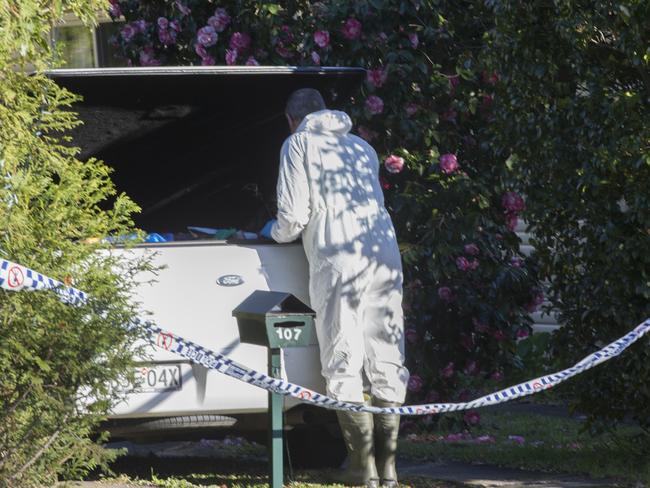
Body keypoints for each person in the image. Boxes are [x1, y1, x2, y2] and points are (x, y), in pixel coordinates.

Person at [260, 88, 409, 488]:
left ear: (290, 119)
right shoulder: (362, 148)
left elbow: (293, 216)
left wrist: (271, 232)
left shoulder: (298, 144)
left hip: (338, 253)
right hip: (383, 250)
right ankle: (389, 469)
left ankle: (363, 467)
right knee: (386, 351)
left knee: (343, 352)